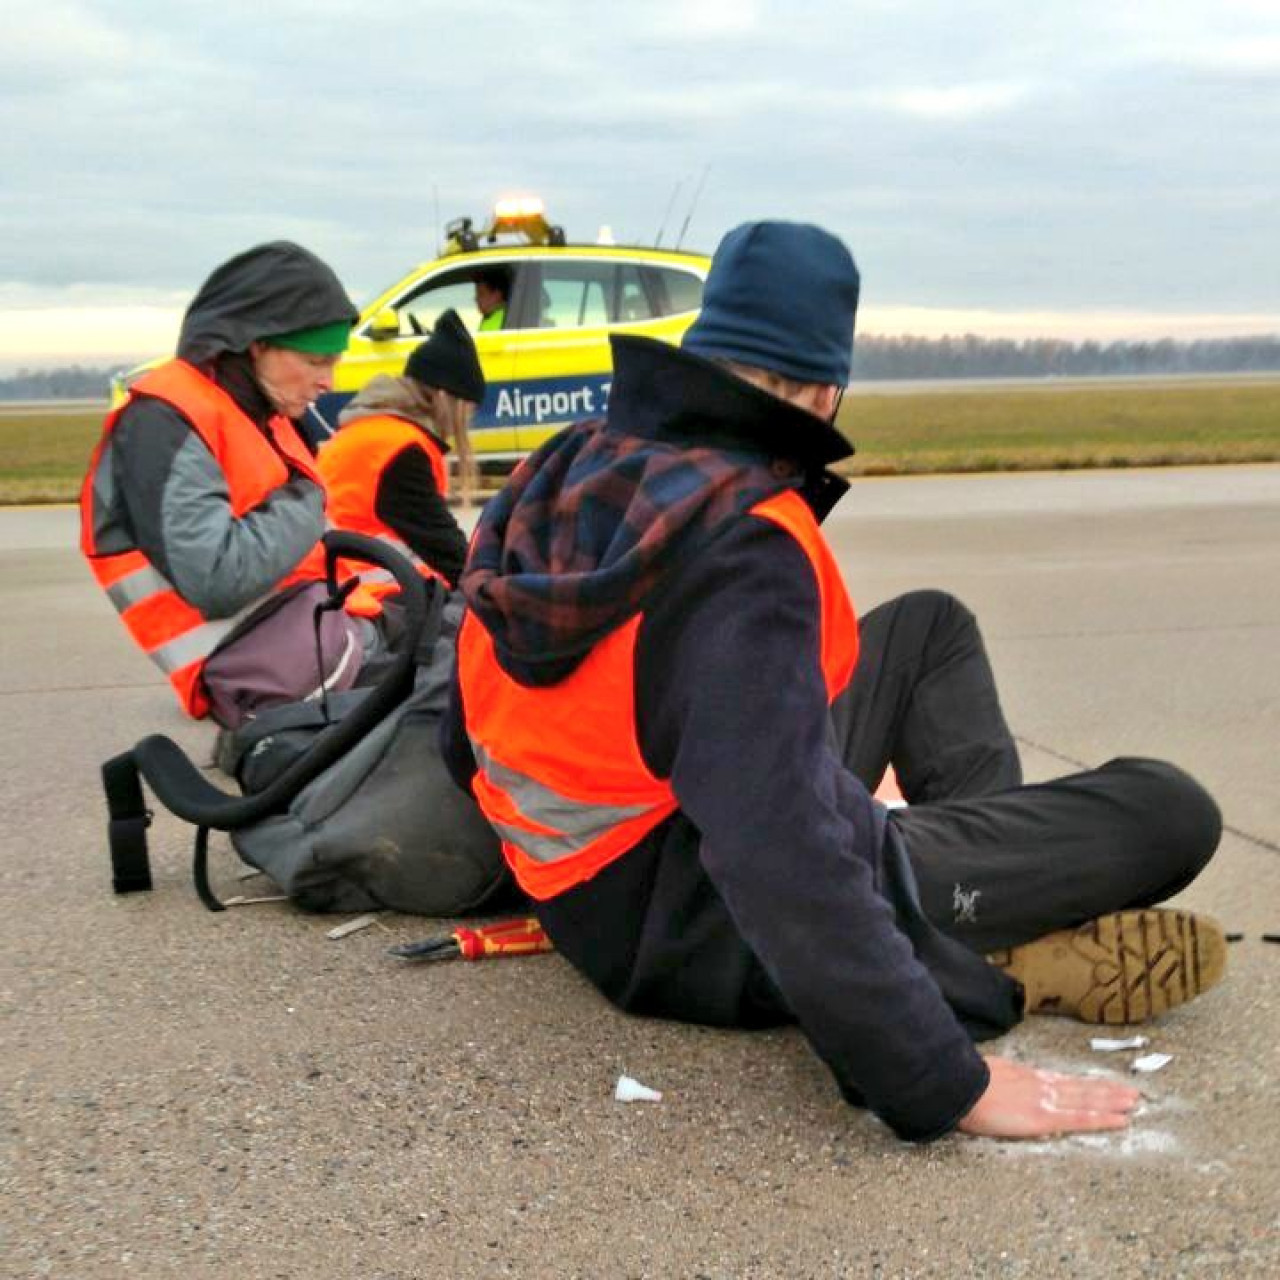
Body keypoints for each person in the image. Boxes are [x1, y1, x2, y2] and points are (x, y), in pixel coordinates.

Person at [441, 220, 1227, 1144]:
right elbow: (774, 852)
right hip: (692, 924)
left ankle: (959, 897)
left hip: (587, 871)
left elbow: (462, 737)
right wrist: (939, 1079)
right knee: (1170, 811)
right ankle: (972, 929)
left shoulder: (562, 464)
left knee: (929, 625)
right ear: (825, 392)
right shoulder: (744, 546)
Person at [80, 240, 380, 728]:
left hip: (317, 630)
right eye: (316, 361)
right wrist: (307, 499)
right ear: (256, 344)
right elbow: (216, 578)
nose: (328, 381)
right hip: (262, 667)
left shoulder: (266, 412)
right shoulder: (163, 422)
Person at [317, 309, 485, 596]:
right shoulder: (402, 452)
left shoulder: (374, 429)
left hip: (334, 573)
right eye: (466, 412)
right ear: (445, 399)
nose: (465, 424)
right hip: (360, 585)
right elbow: (445, 550)